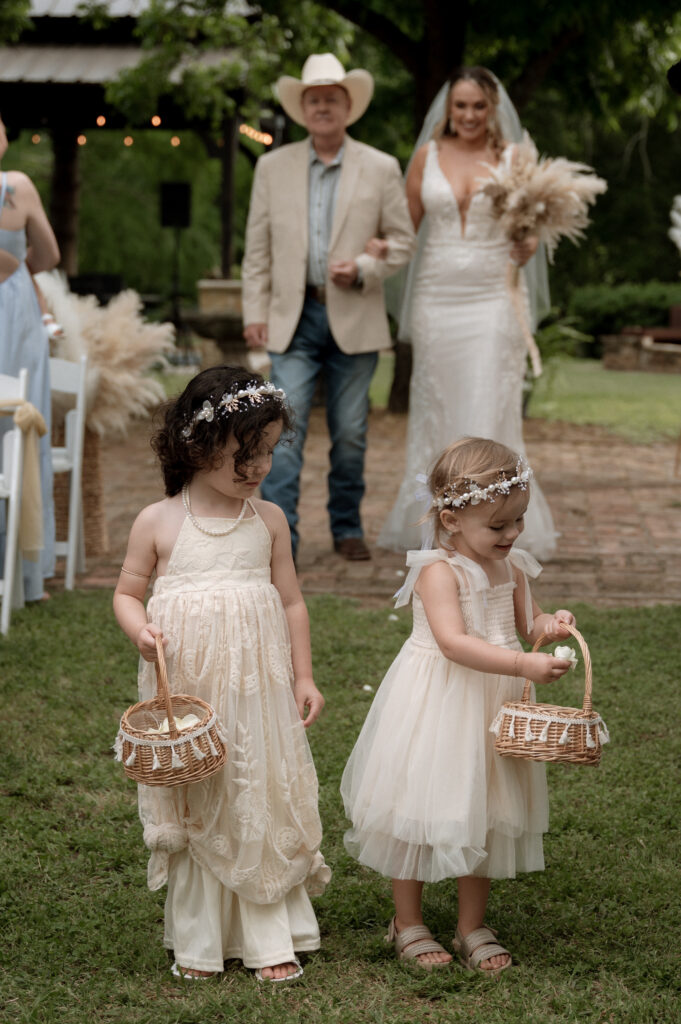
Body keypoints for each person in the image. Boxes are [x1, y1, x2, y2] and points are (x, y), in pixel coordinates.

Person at [113, 366, 330, 982]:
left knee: (253, 789)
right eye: (245, 454)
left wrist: (303, 676)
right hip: (190, 691)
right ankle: (202, 938)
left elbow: (290, 602)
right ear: (198, 445)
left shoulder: (268, 522)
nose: (258, 467)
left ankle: (267, 936)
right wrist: (139, 629)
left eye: (266, 452)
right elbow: (127, 594)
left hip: (256, 693)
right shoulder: (158, 521)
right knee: (204, 791)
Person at [342, 436, 575, 972]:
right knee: (419, 807)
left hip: (491, 707)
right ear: (451, 520)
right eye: (498, 526)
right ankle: (408, 920)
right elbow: (453, 642)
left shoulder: (512, 568)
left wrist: (551, 625)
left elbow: (528, 624)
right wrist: (523, 665)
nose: (512, 534)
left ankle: (472, 924)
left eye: (518, 521)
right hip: (439, 701)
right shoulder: (437, 572)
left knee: (488, 810)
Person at [376, 67, 557, 560]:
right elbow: (404, 231)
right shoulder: (425, 158)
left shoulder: (516, 158)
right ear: (448, 109)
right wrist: (378, 246)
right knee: (438, 410)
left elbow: (532, 228)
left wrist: (528, 243)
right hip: (437, 296)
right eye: (461, 106)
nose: (470, 115)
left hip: (493, 297)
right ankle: (441, 517)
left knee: (485, 406)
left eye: (479, 106)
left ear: (494, 108)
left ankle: (497, 517)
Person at [242, 52, 415, 562]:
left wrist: (363, 267)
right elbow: (257, 250)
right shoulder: (272, 166)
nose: (323, 106)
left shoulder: (380, 167)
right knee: (281, 433)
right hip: (290, 320)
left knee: (352, 434)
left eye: (331, 99)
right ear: (303, 107)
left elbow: (403, 243)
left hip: (354, 316)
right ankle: (282, 540)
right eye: (314, 99)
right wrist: (254, 310)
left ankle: (346, 528)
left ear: (347, 106)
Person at [0, 112, 59, 600]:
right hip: (15, 311)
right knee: (22, 424)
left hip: (17, 313)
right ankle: (24, 573)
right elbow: (50, 255)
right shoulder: (17, 185)